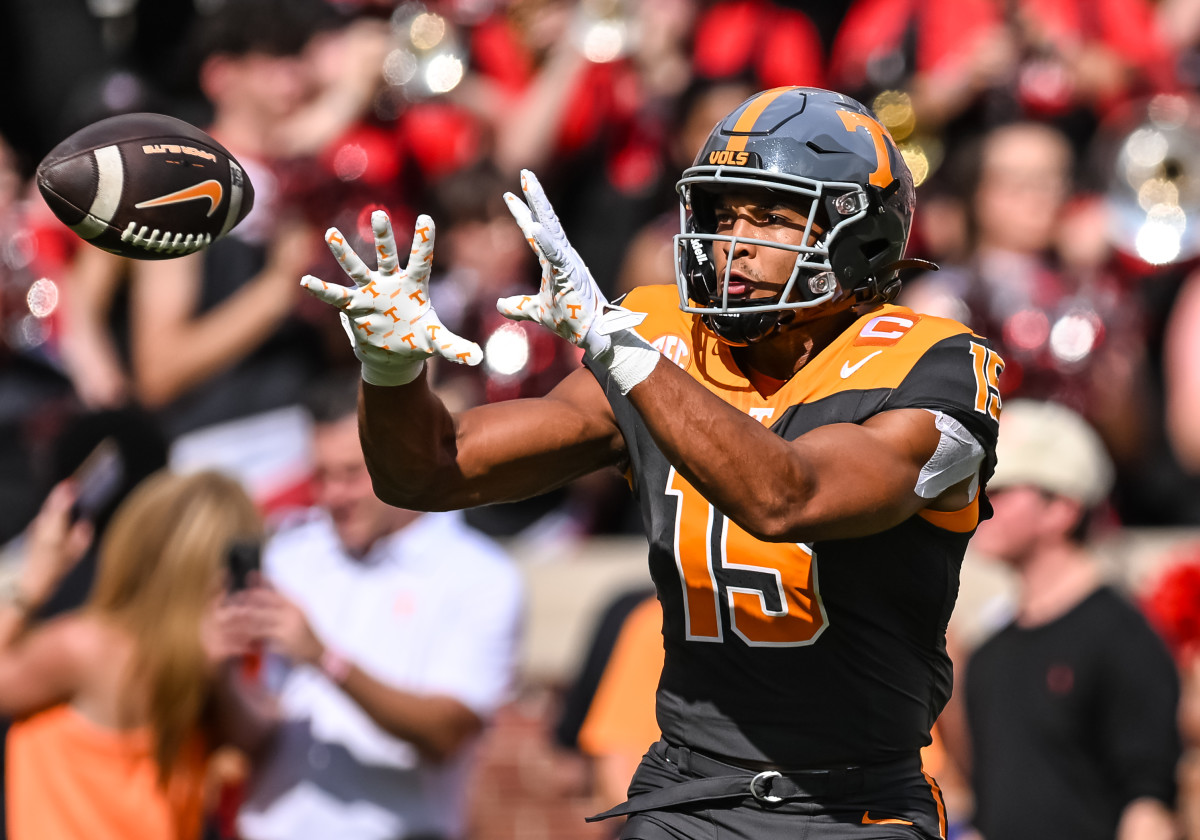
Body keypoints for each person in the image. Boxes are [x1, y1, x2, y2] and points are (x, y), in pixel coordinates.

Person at [302, 86, 1002, 838]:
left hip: (850, 806)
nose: (734, 241)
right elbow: (428, 472)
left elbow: (788, 498)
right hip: (687, 794)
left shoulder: (933, 361)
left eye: (769, 216)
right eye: (723, 213)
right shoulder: (663, 339)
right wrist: (390, 374)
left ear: (857, 235)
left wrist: (618, 351)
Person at [234, 374, 523, 840]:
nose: (332, 496)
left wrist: (325, 659)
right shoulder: (288, 553)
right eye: (320, 475)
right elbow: (256, 730)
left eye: (350, 474)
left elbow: (447, 734)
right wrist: (213, 670)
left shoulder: (481, 575)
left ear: (400, 461)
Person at [0, 469, 273, 840]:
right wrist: (220, 677)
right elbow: (258, 736)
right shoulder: (202, 661)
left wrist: (32, 579)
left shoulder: (88, 647)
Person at [964, 399, 1181, 840]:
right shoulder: (989, 654)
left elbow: (1148, 809)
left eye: (1003, 490)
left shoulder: (1123, 638)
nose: (982, 504)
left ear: (1062, 507)